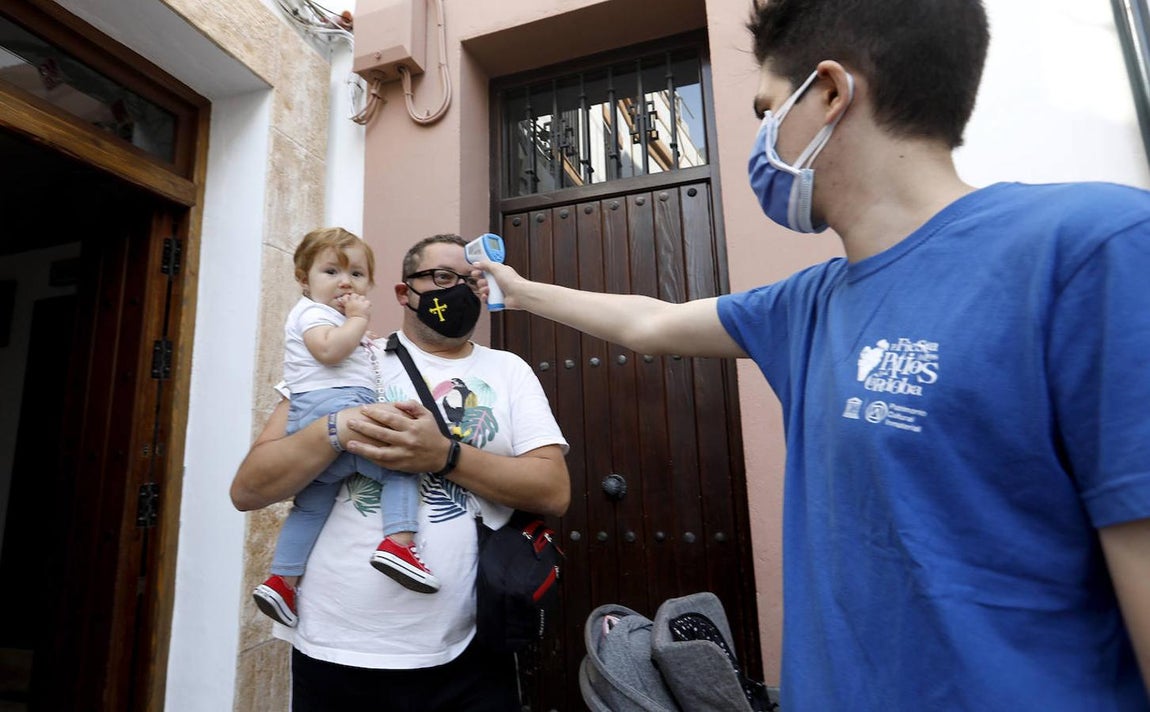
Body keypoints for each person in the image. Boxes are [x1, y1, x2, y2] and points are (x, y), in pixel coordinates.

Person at [472, 1, 1150, 709]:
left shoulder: (1095, 254)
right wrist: (517, 291)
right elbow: (652, 322)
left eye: (768, 110)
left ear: (828, 93)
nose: (762, 138)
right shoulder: (808, 303)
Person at [231, 233, 569, 711]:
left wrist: (444, 456)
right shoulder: (347, 358)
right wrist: (337, 428)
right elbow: (249, 488)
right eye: (441, 277)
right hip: (335, 650)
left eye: (472, 282)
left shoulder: (509, 370)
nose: (457, 291)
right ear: (402, 292)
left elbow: (553, 491)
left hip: (469, 648)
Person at [252, 227, 441, 630]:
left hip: (314, 418)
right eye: (331, 271)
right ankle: (399, 544)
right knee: (400, 463)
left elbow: (339, 348)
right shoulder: (312, 313)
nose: (344, 281)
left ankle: (283, 581)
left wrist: (354, 332)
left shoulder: (327, 319)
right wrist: (356, 321)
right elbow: (329, 350)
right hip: (336, 408)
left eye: (356, 274)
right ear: (304, 280)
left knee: (312, 503)